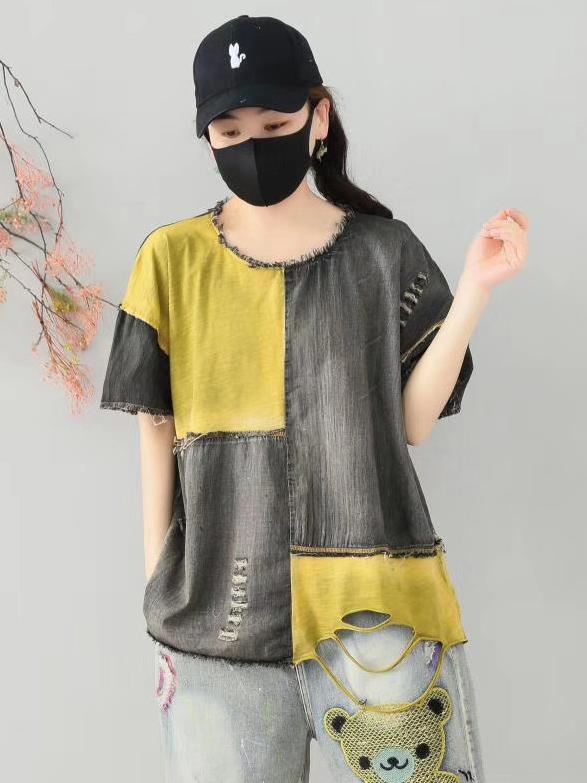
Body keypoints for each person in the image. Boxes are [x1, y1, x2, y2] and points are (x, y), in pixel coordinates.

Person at [99, 13, 529, 783]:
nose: (252, 145)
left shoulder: (383, 251)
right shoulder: (169, 260)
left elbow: (411, 423)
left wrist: (473, 291)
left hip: (376, 610)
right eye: (229, 131)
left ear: (318, 117)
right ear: (205, 136)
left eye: (274, 124)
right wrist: (160, 586)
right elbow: (155, 431)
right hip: (215, 620)